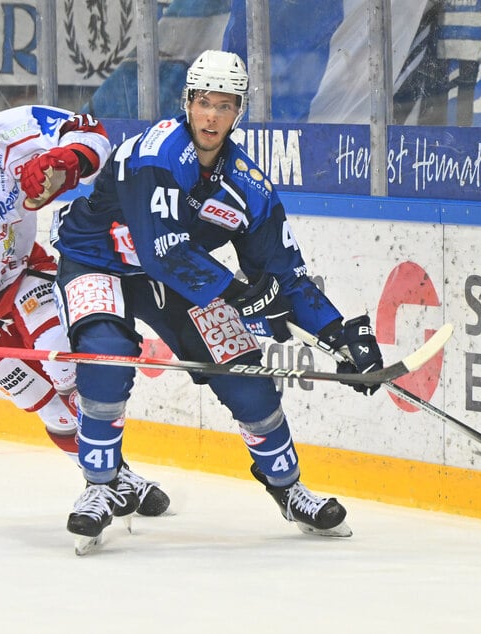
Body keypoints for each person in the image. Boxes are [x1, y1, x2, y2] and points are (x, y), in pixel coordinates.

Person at [51, 50, 384, 542]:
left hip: (178, 279)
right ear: (187, 102)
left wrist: (337, 334)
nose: (212, 115)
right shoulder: (158, 153)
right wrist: (240, 295)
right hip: (98, 261)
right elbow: (163, 251)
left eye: (225, 105)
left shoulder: (248, 185)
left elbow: (284, 273)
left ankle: (288, 488)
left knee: (247, 374)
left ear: (238, 112)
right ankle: (101, 486)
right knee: (107, 355)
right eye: (204, 102)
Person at [0, 80, 170, 521]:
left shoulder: (14, 130)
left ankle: (104, 475)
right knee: (44, 402)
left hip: (23, 274)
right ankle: (115, 478)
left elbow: (90, 131)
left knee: (67, 367)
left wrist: (66, 160)